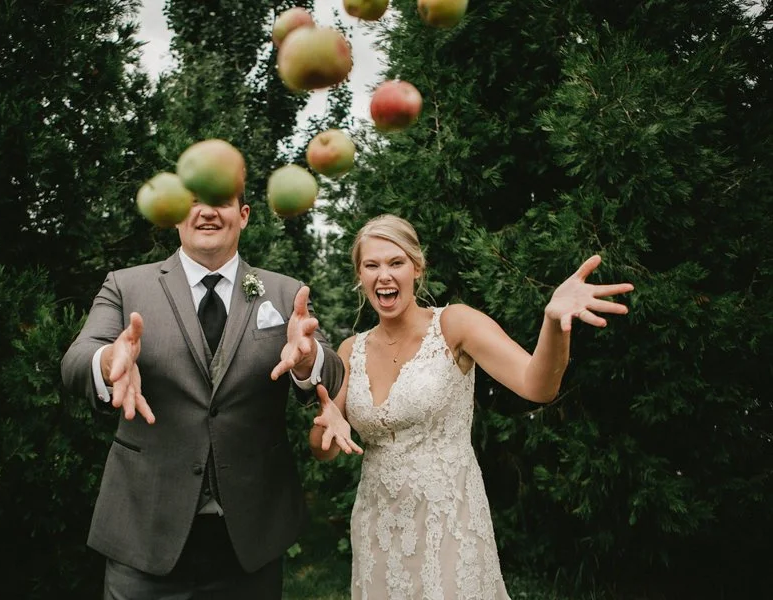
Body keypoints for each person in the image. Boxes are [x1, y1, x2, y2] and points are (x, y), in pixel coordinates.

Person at [309, 214, 634, 599]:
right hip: (377, 524)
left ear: (417, 267)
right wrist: (327, 423)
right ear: (359, 276)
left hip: (448, 521)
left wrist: (552, 323)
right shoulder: (351, 350)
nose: (385, 276)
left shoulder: (454, 325)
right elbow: (323, 450)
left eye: (396, 263)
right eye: (372, 265)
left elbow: (538, 384)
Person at [61, 193, 344, 600]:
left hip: (250, 541)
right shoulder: (125, 285)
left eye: (221, 201)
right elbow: (75, 362)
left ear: (243, 216)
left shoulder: (285, 293)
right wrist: (109, 360)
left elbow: (332, 373)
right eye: (194, 201)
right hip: (145, 533)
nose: (207, 211)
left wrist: (308, 357)